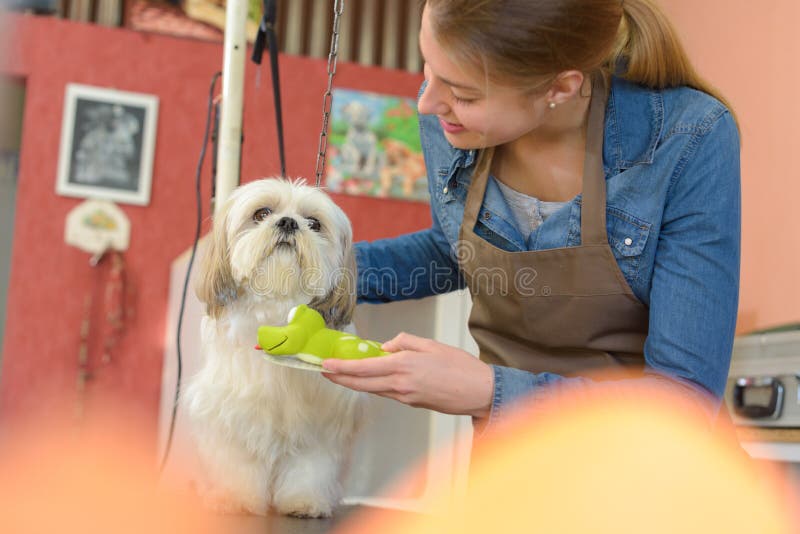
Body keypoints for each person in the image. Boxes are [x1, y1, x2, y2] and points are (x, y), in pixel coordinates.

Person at [322, 0, 741, 435]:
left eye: (464, 94)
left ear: (560, 88)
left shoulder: (688, 137)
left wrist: (488, 390)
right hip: (513, 469)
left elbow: (681, 405)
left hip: (642, 475)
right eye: (427, 69)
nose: (427, 104)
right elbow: (456, 251)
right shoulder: (451, 122)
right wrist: (321, 274)